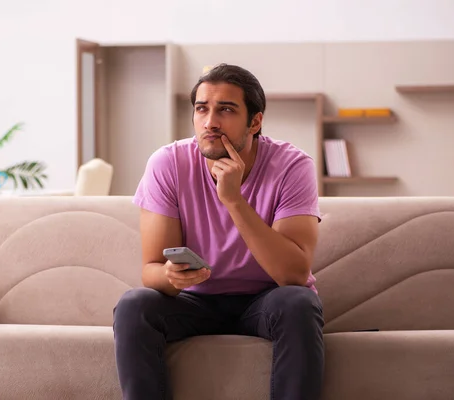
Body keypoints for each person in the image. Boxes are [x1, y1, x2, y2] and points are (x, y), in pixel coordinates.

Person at [113, 63, 324, 400]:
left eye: (225, 110)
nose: (210, 122)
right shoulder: (168, 164)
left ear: (255, 121)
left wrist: (233, 200)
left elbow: (295, 273)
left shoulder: (292, 166)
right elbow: (151, 271)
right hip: (195, 302)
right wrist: (172, 277)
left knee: (298, 302)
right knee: (134, 305)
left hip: (266, 300)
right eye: (202, 109)